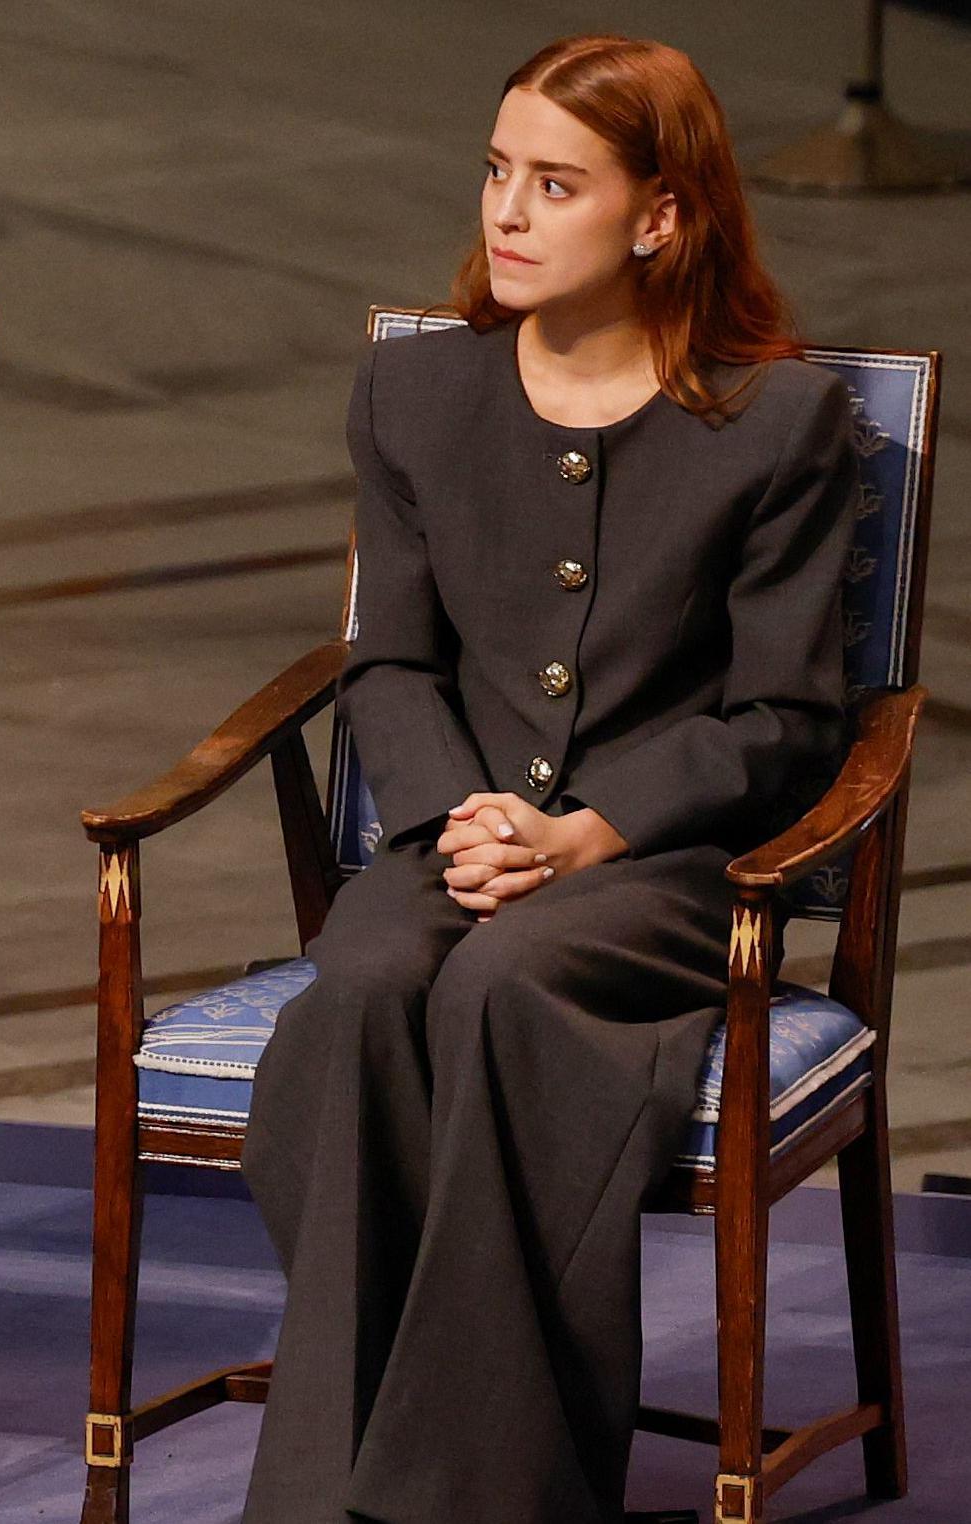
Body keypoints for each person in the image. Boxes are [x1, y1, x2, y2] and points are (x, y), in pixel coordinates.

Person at [236, 34, 862, 1524]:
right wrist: (464, 818)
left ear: (658, 216)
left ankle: (470, 1493)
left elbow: (787, 721)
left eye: (554, 184)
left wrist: (590, 831)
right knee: (369, 983)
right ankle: (334, 1486)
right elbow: (384, 663)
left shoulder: (773, 424)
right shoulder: (412, 394)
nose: (505, 213)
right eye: (496, 172)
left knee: (504, 988)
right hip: (459, 841)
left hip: (662, 872)